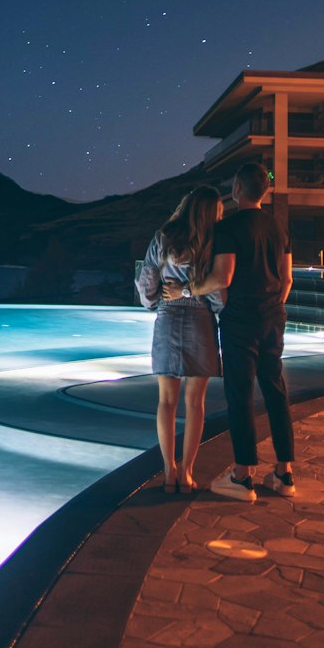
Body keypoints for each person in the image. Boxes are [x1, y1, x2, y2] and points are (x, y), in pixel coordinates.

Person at [190, 162, 295, 502]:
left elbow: (223, 278)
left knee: (240, 394)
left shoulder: (229, 227)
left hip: (240, 321)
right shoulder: (278, 228)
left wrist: (191, 288)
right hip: (272, 317)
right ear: (264, 191)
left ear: (236, 189)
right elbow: (288, 278)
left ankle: (242, 475)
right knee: (275, 390)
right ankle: (284, 472)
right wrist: (273, 306)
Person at [135, 185, 223, 493]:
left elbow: (147, 279)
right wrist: (215, 309)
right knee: (195, 403)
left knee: (166, 401)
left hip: (169, 315)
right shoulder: (215, 240)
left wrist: (153, 301)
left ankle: (168, 470)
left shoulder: (164, 236)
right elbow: (218, 291)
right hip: (200, 319)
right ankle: (187, 472)